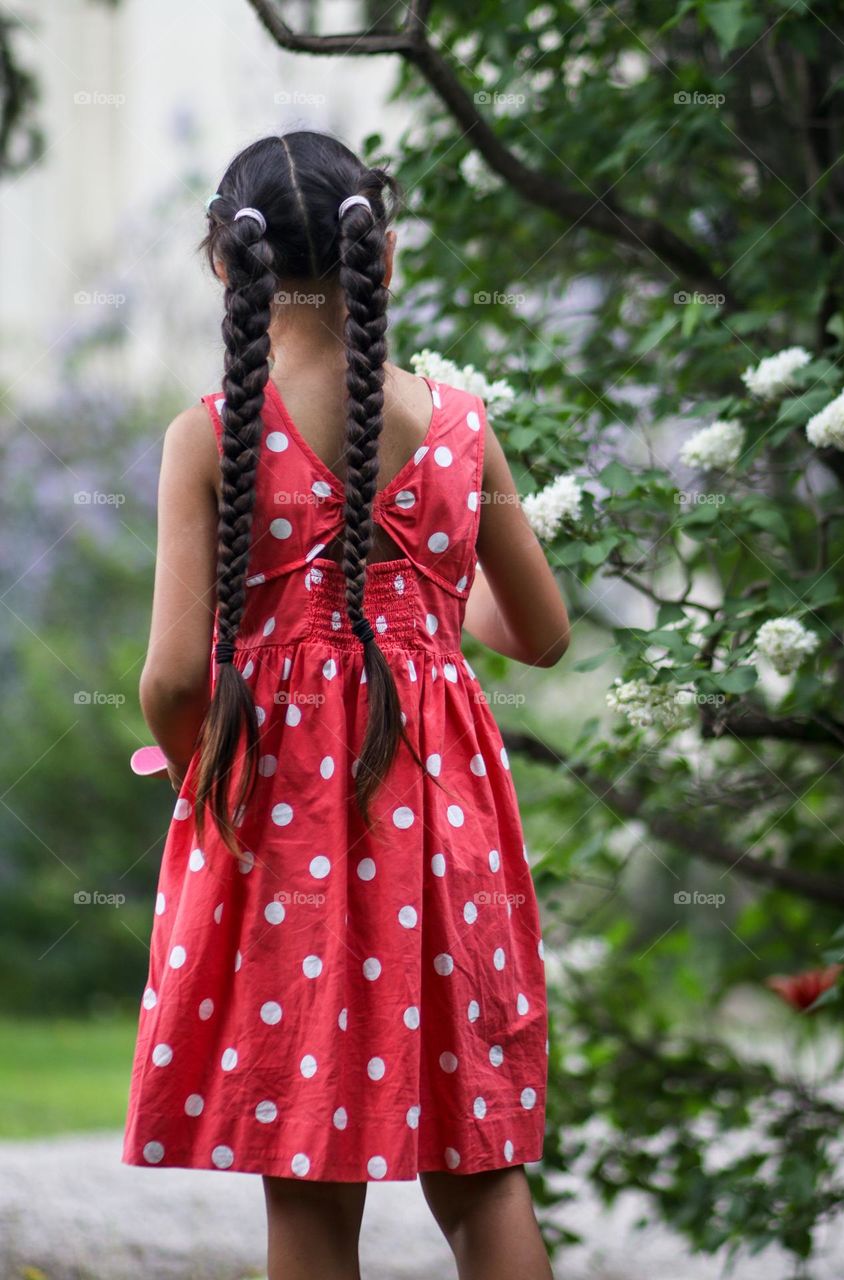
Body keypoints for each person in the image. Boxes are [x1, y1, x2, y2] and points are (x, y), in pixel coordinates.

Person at [121, 129, 571, 1280]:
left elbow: (173, 680)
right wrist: (417, 596)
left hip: (284, 830)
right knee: (480, 1170)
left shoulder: (211, 439)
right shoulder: (463, 429)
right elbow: (539, 630)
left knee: (309, 1184)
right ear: (389, 250)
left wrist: (202, 777)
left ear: (226, 262)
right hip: (446, 830)